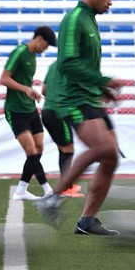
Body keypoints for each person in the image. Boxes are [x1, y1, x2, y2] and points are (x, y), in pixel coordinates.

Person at [36, 0, 125, 235]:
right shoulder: (75, 18)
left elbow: (84, 66)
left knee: (111, 156)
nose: (110, 2)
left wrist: (102, 90)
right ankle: (53, 197)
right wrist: (102, 81)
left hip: (90, 98)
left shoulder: (91, 21)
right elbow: (66, 64)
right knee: (101, 149)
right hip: (73, 99)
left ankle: (87, 220)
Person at [1, 26, 57, 201]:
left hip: (30, 109)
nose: (45, 50)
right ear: (39, 39)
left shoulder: (33, 57)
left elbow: (25, 82)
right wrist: (26, 89)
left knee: (39, 148)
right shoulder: (19, 52)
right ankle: (47, 190)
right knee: (31, 150)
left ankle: (21, 190)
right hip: (15, 110)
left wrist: (32, 91)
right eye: (46, 46)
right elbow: (4, 78)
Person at [41, 60, 83, 198]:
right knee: (68, 149)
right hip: (60, 113)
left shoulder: (53, 65)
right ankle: (66, 188)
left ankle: (67, 185)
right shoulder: (73, 65)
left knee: (63, 148)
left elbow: (44, 90)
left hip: (47, 111)